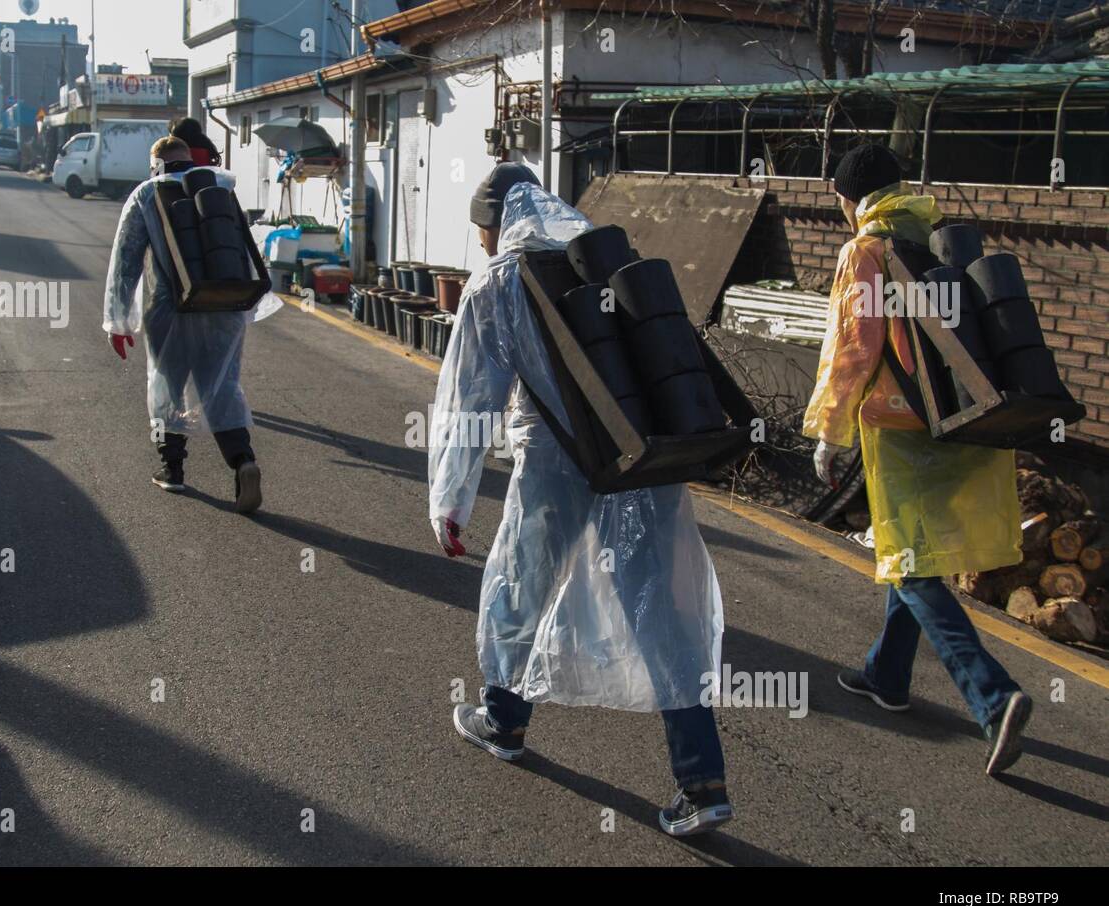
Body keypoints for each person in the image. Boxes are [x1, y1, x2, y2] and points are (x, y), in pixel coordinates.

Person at [429, 164, 733, 837]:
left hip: (554, 460)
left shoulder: (501, 279)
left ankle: (503, 721)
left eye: (480, 228)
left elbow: (468, 400)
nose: (480, 242)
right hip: (639, 454)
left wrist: (449, 501)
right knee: (661, 608)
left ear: (494, 219)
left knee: (521, 585)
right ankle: (701, 780)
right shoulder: (600, 258)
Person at [805, 143, 1031, 775]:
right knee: (911, 544)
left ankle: (994, 695)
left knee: (907, 562)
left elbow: (854, 347)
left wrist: (831, 430)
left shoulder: (865, 250)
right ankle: (887, 676)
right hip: (953, 415)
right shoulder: (929, 239)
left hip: (894, 426)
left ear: (850, 196)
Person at [103, 135, 262, 513]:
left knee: (166, 389)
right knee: (222, 388)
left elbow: (126, 262)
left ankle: (171, 469)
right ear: (190, 160)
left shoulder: (146, 194)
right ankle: (243, 461)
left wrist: (118, 322)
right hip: (225, 306)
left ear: (155, 164)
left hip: (169, 310)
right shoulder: (219, 186)